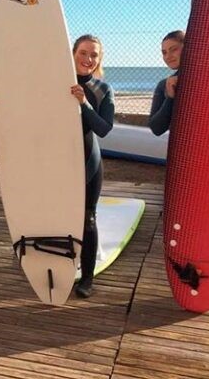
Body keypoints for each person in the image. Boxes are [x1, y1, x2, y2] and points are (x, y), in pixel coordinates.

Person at [70, 34, 115, 298]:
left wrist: (83, 103)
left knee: (87, 219)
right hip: (58, 163)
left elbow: (104, 128)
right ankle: (61, 264)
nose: (88, 59)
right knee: (58, 216)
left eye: (94, 55)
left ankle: (86, 278)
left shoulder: (102, 89)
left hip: (88, 163)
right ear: (73, 53)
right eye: (83, 53)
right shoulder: (55, 83)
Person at [148, 30, 185, 136]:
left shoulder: (207, 80)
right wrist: (170, 98)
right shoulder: (164, 85)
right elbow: (156, 129)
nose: (168, 56)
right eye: (164, 52)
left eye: (173, 50)